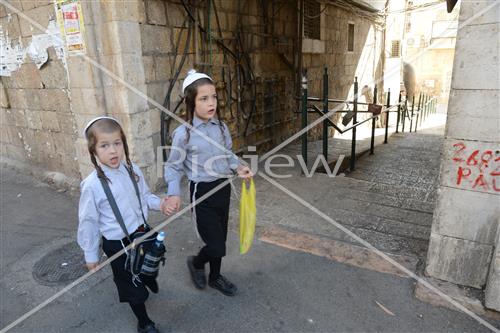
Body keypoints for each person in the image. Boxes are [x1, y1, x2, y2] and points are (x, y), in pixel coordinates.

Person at [163, 69, 253, 296]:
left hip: (223, 189)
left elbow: (228, 155)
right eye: (204, 98)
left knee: (220, 239)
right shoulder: (183, 134)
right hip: (201, 193)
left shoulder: (221, 128)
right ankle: (195, 263)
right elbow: (173, 166)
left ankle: (215, 277)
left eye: (213, 97)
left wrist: (238, 166)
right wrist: (174, 193)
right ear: (191, 102)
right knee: (216, 245)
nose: (211, 103)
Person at [78, 116, 166, 333]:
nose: (113, 151)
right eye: (104, 145)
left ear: (124, 144)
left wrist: (161, 203)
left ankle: (147, 276)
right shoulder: (91, 186)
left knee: (151, 262)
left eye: (117, 143)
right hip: (118, 245)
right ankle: (144, 322)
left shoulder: (132, 169)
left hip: (143, 232)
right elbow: (88, 222)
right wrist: (90, 255)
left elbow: (145, 196)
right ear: (94, 151)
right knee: (132, 286)